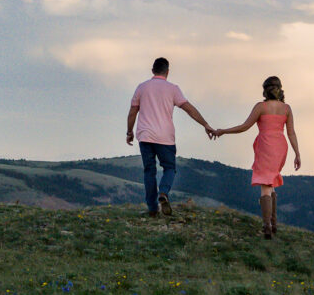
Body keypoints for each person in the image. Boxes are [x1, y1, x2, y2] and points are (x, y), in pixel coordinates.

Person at [213, 76, 301, 239]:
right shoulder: (287, 109)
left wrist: (224, 131)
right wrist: (297, 153)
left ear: (265, 90)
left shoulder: (261, 107)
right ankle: (273, 224)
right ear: (280, 89)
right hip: (280, 146)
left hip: (265, 146)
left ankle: (267, 226)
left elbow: (244, 126)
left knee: (265, 184)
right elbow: (291, 133)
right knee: (271, 181)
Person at [126, 57, 215, 217]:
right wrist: (205, 124)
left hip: (145, 135)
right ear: (167, 72)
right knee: (169, 168)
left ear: (152, 70)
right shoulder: (173, 89)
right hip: (165, 137)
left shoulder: (142, 87)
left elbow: (133, 111)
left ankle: (152, 209)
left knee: (149, 171)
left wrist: (129, 132)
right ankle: (163, 192)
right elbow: (189, 109)